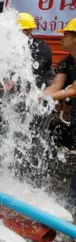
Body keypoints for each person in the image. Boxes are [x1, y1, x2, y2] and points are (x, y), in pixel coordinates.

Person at [44, 18, 76, 153]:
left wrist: (45, 98)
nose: (60, 39)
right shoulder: (67, 61)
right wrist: (38, 96)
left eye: (65, 35)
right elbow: (56, 86)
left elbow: (74, 90)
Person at [17, 13, 54, 88]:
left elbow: (31, 74)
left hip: (38, 88)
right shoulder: (10, 47)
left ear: (27, 31)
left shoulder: (41, 48)